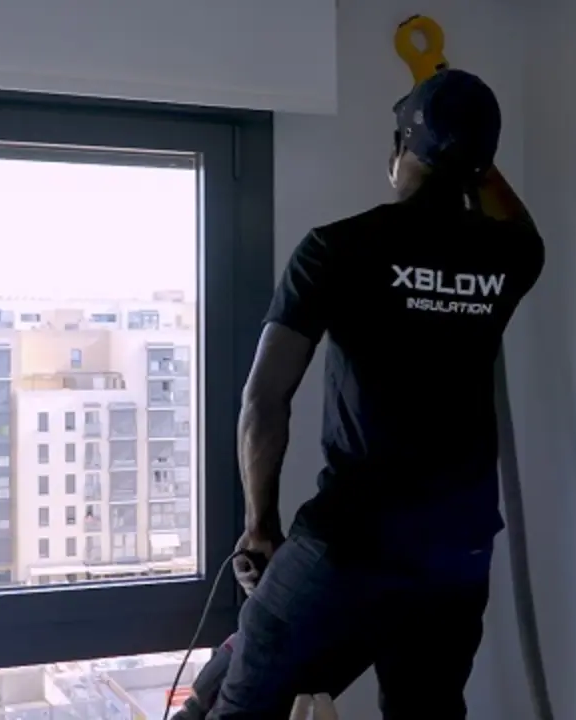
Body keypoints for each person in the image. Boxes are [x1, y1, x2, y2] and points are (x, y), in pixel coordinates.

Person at [207, 69, 546, 719]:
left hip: (351, 544)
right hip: (457, 555)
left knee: (242, 709)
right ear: (482, 166)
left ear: (399, 149)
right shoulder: (511, 257)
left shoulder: (337, 248)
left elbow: (264, 400)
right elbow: (519, 223)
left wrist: (260, 527)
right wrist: (474, 157)